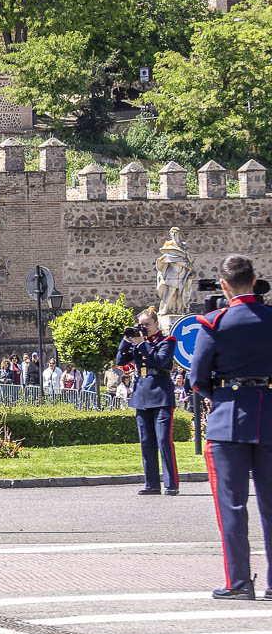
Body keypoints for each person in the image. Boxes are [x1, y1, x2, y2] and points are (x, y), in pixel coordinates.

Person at [188, 255, 272, 600]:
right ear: (255, 281)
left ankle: (239, 583)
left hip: (228, 422)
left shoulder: (213, 323)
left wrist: (222, 397)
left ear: (224, 286)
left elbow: (197, 379)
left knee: (232, 505)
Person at [116, 307, 180, 495]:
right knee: (146, 441)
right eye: (141, 325)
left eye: (147, 325)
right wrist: (127, 340)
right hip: (142, 393)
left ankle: (171, 484)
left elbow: (159, 361)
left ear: (156, 324)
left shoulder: (167, 341)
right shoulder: (137, 343)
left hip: (160, 392)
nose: (143, 328)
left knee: (163, 440)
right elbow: (121, 360)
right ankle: (151, 484)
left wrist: (142, 343)